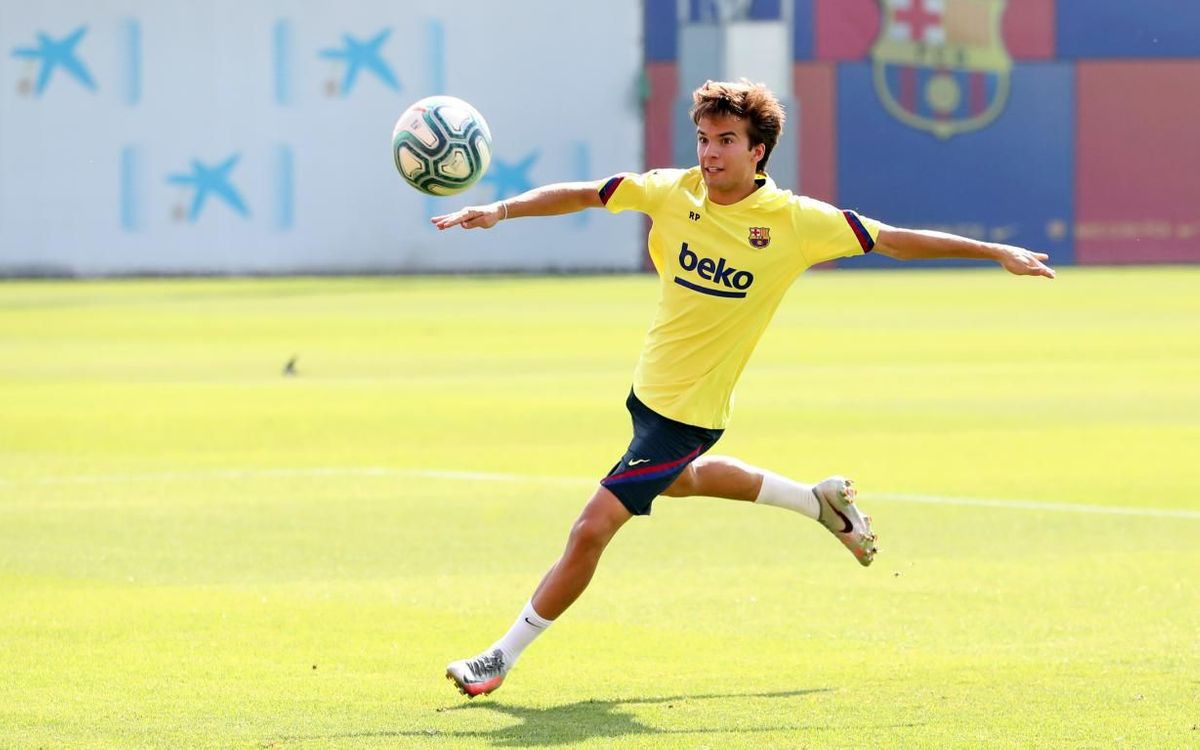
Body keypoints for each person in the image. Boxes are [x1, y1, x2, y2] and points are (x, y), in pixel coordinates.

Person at [432, 79, 1055, 698]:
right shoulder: (671, 191)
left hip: (690, 412)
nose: (710, 152)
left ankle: (500, 657)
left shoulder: (795, 221)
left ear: (759, 151)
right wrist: (502, 209)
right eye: (703, 138)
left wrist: (992, 249)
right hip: (648, 391)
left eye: (727, 140)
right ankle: (819, 502)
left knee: (591, 529)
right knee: (681, 481)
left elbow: (892, 239)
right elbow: (586, 193)